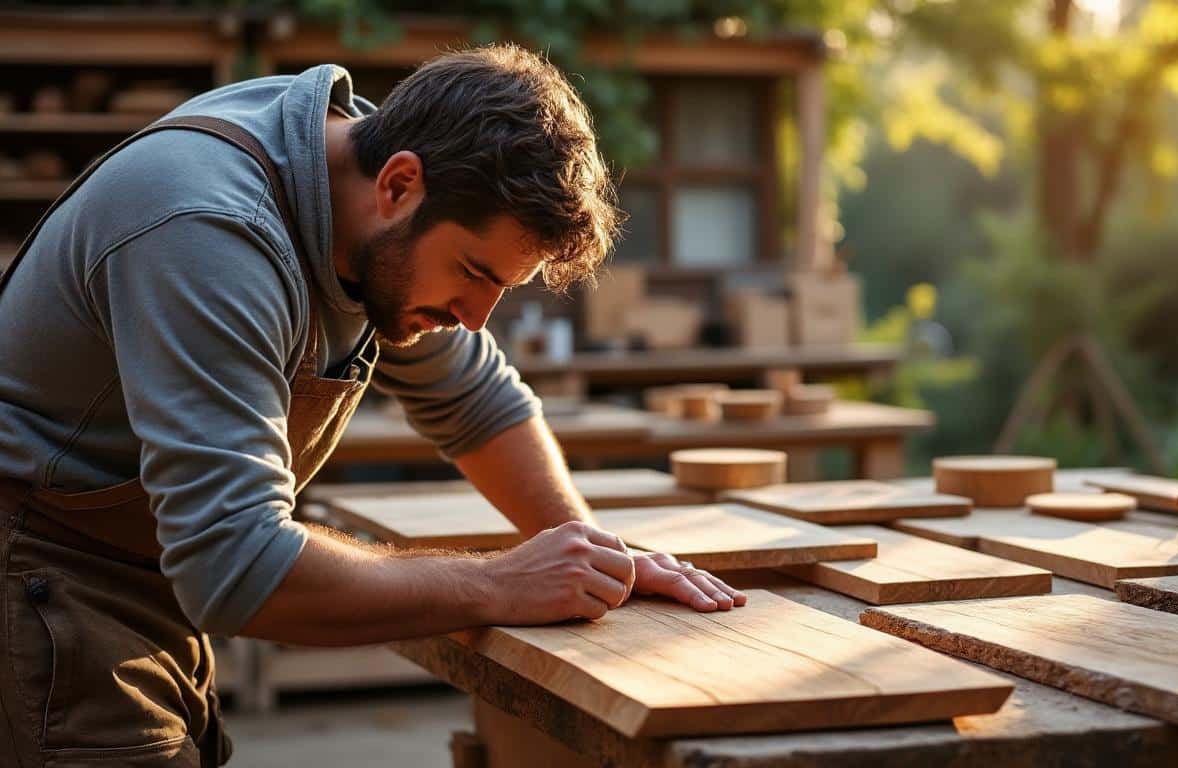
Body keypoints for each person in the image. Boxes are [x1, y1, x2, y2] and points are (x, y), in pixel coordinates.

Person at [0, 45, 744, 768]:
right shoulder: (211, 231)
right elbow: (236, 565)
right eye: (472, 273)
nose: (477, 316)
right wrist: (501, 582)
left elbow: (476, 399)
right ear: (398, 185)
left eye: (501, 291)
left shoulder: (359, 187)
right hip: (40, 572)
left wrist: (589, 551)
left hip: (143, 575)